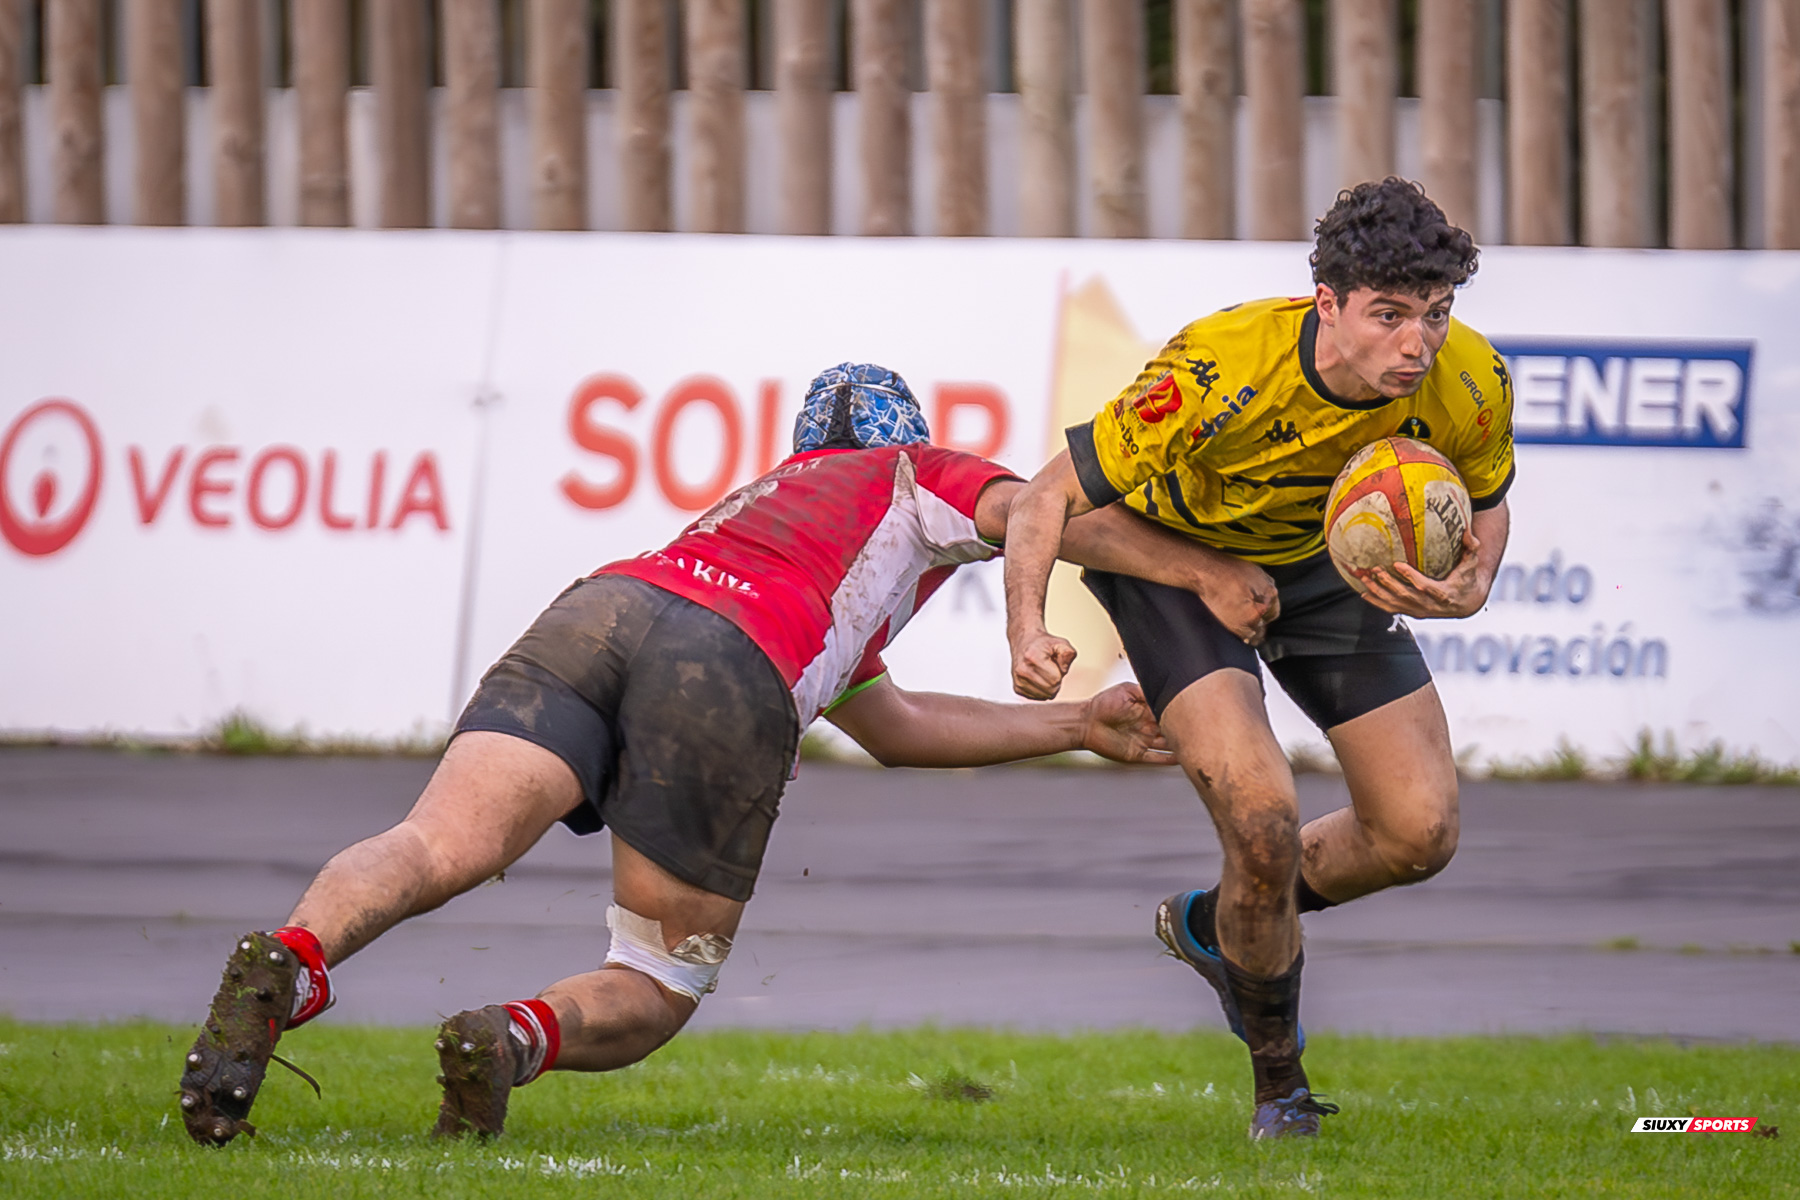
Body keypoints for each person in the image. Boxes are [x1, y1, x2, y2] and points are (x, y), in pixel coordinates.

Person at [177, 362, 1257, 1146]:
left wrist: (1077, 727)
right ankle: (509, 1037)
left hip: (605, 607)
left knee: (432, 844)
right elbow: (1039, 506)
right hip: (730, 660)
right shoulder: (908, 471)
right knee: (655, 977)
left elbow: (896, 726)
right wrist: (1180, 582)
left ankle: (296, 955)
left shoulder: (775, 512)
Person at [1001, 179, 1516, 1139]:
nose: (1418, 345)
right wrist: (1027, 630)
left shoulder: (1470, 379)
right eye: (1390, 316)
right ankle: (1279, 1085)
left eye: (1437, 316)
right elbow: (1044, 500)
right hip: (1172, 567)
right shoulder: (1218, 368)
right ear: (1328, 304)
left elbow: (1485, 503)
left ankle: (1219, 924)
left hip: (1324, 568)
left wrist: (1474, 583)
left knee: (1420, 832)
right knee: (1265, 818)